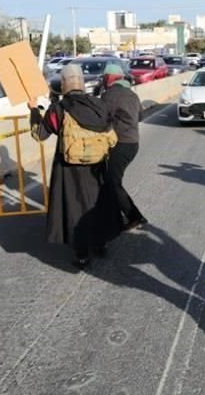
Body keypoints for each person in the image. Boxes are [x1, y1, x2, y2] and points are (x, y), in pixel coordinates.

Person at [29, 63, 114, 269]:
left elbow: (39, 134)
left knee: (75, 208)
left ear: (64, 83)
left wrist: (33, 111)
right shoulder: (99, 104)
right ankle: (100, 243)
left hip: (69, 168)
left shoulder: (58, 109)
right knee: (97, 203)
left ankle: (82, 254)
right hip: (97, 165)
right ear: (82, 83)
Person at [100, 62, 149, 236]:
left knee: (112, 182)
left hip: (120, 144)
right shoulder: (131, 94)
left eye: (105, 78)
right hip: (133, 143)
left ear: (111, 78)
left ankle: (134, 216)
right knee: (112, 181)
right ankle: (119, 216)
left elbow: (100, 119)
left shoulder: (109, 95)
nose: (103, 81)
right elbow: (141, 116)